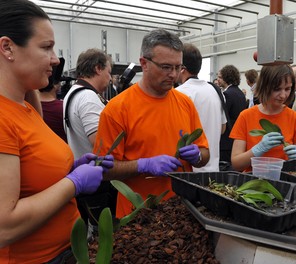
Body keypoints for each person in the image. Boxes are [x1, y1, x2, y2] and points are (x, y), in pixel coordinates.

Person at [0, 1, 112, 263]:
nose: (55, 59)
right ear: (7, 47)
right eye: (46, 47)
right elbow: (4, 226)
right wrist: (73, 183)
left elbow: (31, 173)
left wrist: (71, 168)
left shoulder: (25, 107)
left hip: (65, 250)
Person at [93, 29, 209, 218]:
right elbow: (103, 169)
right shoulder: (117, 109)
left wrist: (196, 156)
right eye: (165, 67)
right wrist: (142, 165)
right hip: (137, 215)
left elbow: (205, 154)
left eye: (178, 67)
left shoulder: (185, 103)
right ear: (144, 63)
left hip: (182, 211)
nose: (173, 75)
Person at [63, 48, 116, 238]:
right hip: (97, 184)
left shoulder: (73, 92)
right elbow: (101, 144)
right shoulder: (88, 98)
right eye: (109, 72)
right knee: (104, 237)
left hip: (84, 179)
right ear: (98, 69)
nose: (110, 79)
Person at [230, 64, 296, 172]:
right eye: (277, 89)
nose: (283, 95)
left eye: (288, 89)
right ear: (264, 86)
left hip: (284, 184)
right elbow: (236, 163)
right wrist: (257, 150)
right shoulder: (246, 116)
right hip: (253, 183)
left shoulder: (295, 119)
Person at [176, 43, 227, 172]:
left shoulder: (180, 93)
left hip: (192, 170)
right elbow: (222, 128)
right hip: (213, 168)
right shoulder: (216, 90)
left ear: (182, 68)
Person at [217, 65, 247, 164]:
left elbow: (224, 117)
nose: (218, 79)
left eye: (220, 77)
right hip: (238, 138)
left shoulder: (227, 94)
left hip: (227, 139)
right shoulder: (240, 93)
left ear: (227, 77)